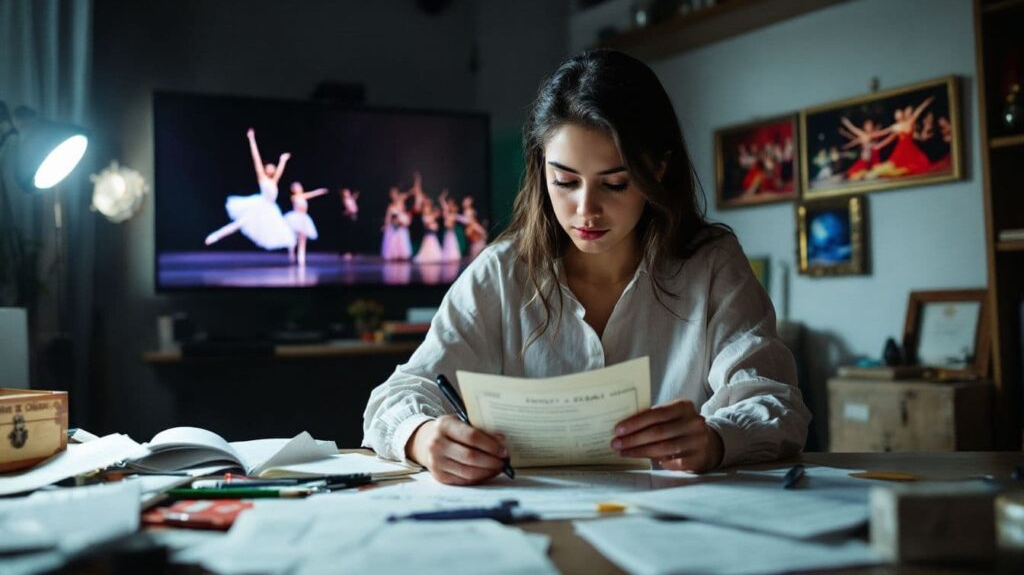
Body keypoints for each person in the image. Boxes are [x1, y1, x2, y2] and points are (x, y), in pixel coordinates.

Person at [362, 50, 810, 486]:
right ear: (541, 169)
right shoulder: (501, 273)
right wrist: (423, 437)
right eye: (565, 181)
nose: (586, 210)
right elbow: (395, 398)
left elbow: (777, 401)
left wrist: (716, 438)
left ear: (658, 167)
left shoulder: (710, 263)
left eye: (615, 183)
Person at [204, 128, 296, 250]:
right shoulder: (262, 177)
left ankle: (292, 249)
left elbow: (280, 170)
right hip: (259, 205)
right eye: (268, 166)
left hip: (270, 208)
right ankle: (216, 235)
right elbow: (256, 158)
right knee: (239, 224)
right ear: (265, 169)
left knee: (279, 230)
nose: (271, 167)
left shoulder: (274, 181)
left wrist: (283, 160)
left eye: (273, 167)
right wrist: (251, 139)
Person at [284, 182, 329, 267]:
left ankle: (301, 258)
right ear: (293, 190)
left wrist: (320, 191)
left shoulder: (303, 196)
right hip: (295, 218)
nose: (298, 188)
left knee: (303, 239)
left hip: (304, 219)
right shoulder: (294, 197)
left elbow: (313, 193)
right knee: (293, 239)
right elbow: (306, 196)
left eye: (299, 187)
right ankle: (291, 254)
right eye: (296, 188)